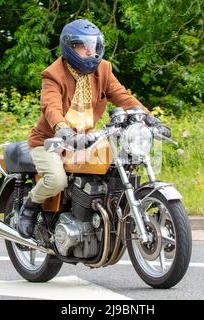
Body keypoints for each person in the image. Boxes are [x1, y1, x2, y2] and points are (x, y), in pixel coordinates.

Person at [17, 19, 171, 238]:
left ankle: (100, 217)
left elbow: (123, 97)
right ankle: (30, 208)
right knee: (57, 180)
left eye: (93, 46)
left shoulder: (103, 69)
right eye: (83, 46)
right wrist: (62, 129)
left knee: (119, 167)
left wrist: (149, 118)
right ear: (69, 47)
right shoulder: (53, 74)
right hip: (51, 140)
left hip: (87, 138)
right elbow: (50, 106)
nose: (90, 51)